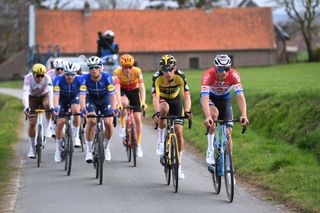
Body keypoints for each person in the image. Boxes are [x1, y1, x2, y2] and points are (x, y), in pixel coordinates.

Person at [200, 53, 249, 165]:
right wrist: (207, 116)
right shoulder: (208, 75)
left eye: (227, 69)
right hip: (210, 99)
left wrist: (244, 114)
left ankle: (228, 166)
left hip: (224, 101)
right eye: (221, 69)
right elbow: (204, 96)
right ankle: (210, 150)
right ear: (216, 68)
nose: (224, 72)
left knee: (228, 133)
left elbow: (240, 95)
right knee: (214, 114)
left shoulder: (234, 75)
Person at [152, 54, 192, 179]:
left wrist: (188, 111)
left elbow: (186, 95)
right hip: (163, 100)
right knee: (164, 109)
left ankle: (179, 165)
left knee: (179, 132)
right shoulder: (157, 77)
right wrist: (157, 112)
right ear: (161, 70)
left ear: (174, 68)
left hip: (176, 101)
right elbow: (155, 96)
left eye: (170, 69)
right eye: (165, 69)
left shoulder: (180, 76)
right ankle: (160, 140)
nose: (168, 72)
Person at [79, 56, 117, 163]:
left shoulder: (107, 78)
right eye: (91, 68)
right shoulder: (84, 79)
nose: (93, 70)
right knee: (91, 121)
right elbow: (82, 95)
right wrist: (83, 109)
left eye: (96, 67)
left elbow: (112, 95)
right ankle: (89, 151)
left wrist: (114, 109)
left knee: (108, 123)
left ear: (101, 68)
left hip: (105, 101)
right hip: (92, 101)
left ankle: (106, 146)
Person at [113, 54, 147, 158]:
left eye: (130, 67)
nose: (127, 70)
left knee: (137, 118)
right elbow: (117, 89)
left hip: (134, 90)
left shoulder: (137, 71)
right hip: (123, 90)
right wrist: (118, 103)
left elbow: (142, 88)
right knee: (124, 103)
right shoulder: (117, 72)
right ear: (121, 66)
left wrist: (143, 102)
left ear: (132, 66)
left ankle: (138, 144)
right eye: (125, 67)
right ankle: (123, 126)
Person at [52, 62, 83, 162]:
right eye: (67, 74)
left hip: (74, 97)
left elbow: (83, 94)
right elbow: (56, 95)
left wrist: (83, 107)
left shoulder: (80, 79)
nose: (70, 77)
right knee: (60, 122)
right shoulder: (58, 79)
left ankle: (76, 136)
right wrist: (56, 107)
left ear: (75, 74)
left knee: (76, 110)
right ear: (64, 74)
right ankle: (57, 150)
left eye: (72, 74)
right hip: (62, 99)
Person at [23, 63, 53, 158]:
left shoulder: (47, 78)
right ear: (33, 74)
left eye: (41, 75)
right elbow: (25, 94)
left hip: (44, 96)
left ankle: (49, 126)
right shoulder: (28, 78)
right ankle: (32, 148)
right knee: (32, 123)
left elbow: (51, 93)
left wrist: (52, 107)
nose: (39, 78)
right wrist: (26, 106)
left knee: (47, 105)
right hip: (32, 98)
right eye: (37, 75)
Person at [45, 58, 65, 137]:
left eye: (61, 69)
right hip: (52, 92)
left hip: (64, 93)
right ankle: (49, 125)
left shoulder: (66, 74)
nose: (60, 71)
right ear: (54, 68)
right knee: (49, 105)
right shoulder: (49, 73)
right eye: (58, 69)